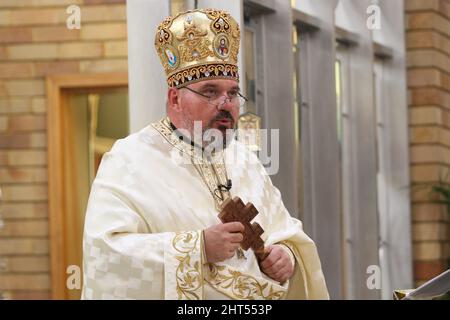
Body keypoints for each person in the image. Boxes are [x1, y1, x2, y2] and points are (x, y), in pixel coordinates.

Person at [81, 8, 329, 300]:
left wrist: (285, 255)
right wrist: (197, 248)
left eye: (233, 93)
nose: (226, 104)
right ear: (175, 98)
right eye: (210, 92)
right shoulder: (129, 160)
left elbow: (282, 230)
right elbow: (107, 255)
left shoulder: (244, 160)